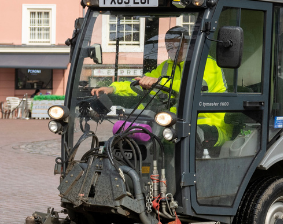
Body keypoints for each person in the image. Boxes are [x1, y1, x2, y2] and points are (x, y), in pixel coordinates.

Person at [91, 26, 230, 148]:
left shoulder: (207, 64)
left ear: (189, 45)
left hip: (207, 124)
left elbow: (192, 88)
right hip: (173, 122)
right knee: (133, 137)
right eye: (170, 47)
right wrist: (113, 88)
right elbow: (141, 82)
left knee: (168, 139)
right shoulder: (166, 67)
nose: (174, 51)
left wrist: (157, 82)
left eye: (178, 46)